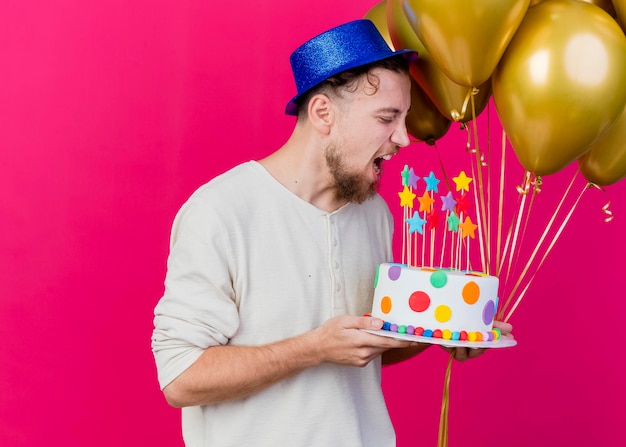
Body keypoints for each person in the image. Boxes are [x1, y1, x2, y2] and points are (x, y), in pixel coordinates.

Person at [152, 19, 512, 447]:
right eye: (386, 118)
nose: (402, 138)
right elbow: (180, 375)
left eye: (404, 118)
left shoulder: (374, 212)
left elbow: (360, 344)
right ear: (323, 113)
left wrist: (443, 331)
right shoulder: (220, 212)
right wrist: (313, 348)